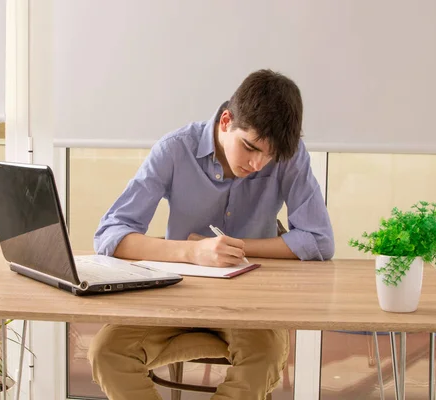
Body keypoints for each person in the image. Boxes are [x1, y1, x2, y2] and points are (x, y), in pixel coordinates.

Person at [89, 69, 334, 400]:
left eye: (269, 156)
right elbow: (110, 235)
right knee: (107, 353)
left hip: (251, 304)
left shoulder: (289, 156)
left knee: (264, 359)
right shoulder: (175, 150)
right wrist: (192, 253)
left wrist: (236, 248)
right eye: (250, 147)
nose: (259, 163)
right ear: (225, 121)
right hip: (175, 293)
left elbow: (318, 240)